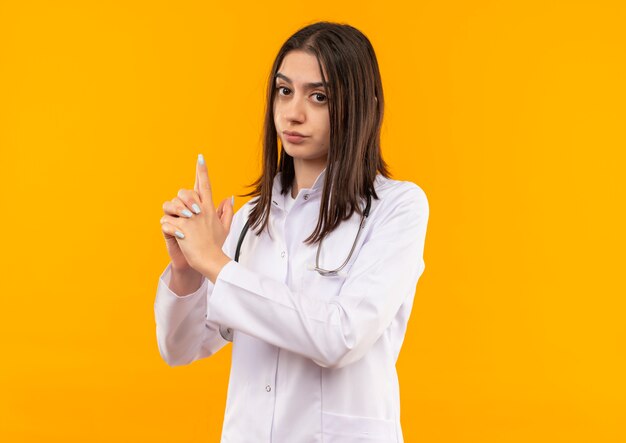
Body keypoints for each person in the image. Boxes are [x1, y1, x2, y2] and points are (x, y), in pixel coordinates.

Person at [154, 21, 429, 443]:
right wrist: (187, 271)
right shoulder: (249, 221)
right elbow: (181, 348)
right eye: (285, 91)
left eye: (319, 97)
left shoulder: (396, 208)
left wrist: (215, 262)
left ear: (365, 105)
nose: (292, 112)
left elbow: (341, 336)